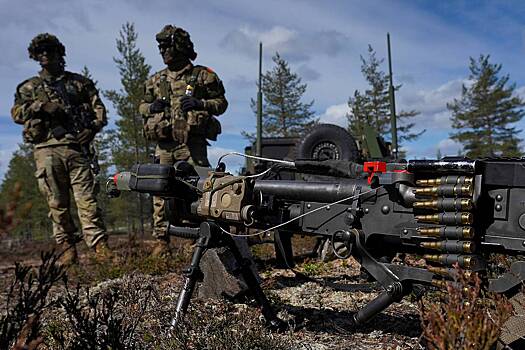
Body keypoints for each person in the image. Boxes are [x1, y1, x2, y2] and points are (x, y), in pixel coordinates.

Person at [11, 33, 112, 265]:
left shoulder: (78, 83)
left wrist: (93, 128)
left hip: (77, 148)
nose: (46, 55)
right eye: (41, 51)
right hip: (46, 148)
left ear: (59, 53)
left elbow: (99, 110)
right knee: (56, 203)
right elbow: (16, 113)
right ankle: (67, 247)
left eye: (50, 50)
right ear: (35, 56)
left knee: (87, 200)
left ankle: (99, 246)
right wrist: (40, 106)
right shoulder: (28, 88)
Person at [139, 25, 228, 256]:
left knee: (197, 187)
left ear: (179, 46)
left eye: (166, 46)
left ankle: (197, 235)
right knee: (159, 190)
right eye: (160, 47)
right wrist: (152, 107)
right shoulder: (155, 80)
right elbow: (141, 106)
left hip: (193, 144)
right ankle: (162, 239)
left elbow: (222, 104)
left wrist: (201, 104)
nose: (163, 51)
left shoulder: (203, 75)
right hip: (165, 144)